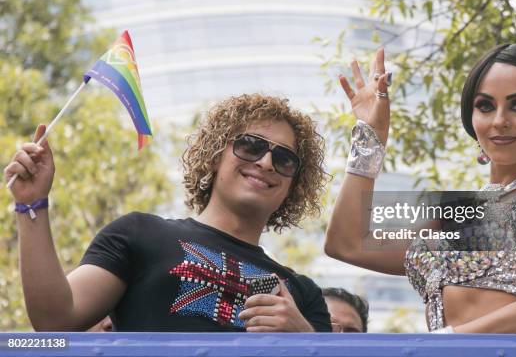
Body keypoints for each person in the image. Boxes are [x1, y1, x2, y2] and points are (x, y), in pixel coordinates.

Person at [324, 44, 516, 334]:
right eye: (485, 106)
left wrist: (434, 347)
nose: (500, 121)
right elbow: (346, 244)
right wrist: (371, 135)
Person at [5, 93, 331, 332]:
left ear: (293, 184)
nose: (265, 163)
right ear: (216, 154)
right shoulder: (139, 234)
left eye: (284, 159)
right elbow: (55, 319)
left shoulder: (303, 295)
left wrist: (304, 337)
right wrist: (31, 204)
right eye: (250, 145)